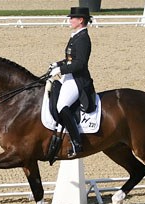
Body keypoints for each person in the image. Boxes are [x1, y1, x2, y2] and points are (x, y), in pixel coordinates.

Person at [49, 7, 96, 158]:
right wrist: (58, 64)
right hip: (69, 76)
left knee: (62, 106)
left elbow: (80, 64)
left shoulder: (83, 39)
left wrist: (61, 70)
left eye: (72, 18)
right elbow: (71, 59)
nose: (70, 21)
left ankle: (77, 143)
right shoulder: (76, 36)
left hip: (77, 79)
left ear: (80, 20)